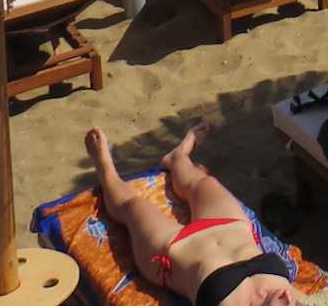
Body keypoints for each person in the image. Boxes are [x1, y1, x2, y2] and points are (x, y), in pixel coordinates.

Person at [85, 124, 302, 306]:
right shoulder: (292, 297)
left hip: (173, 248)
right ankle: (177, 157)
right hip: (229, 225)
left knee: (132, 206)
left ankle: (105, 168)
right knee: (202, 182)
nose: (289, 298)